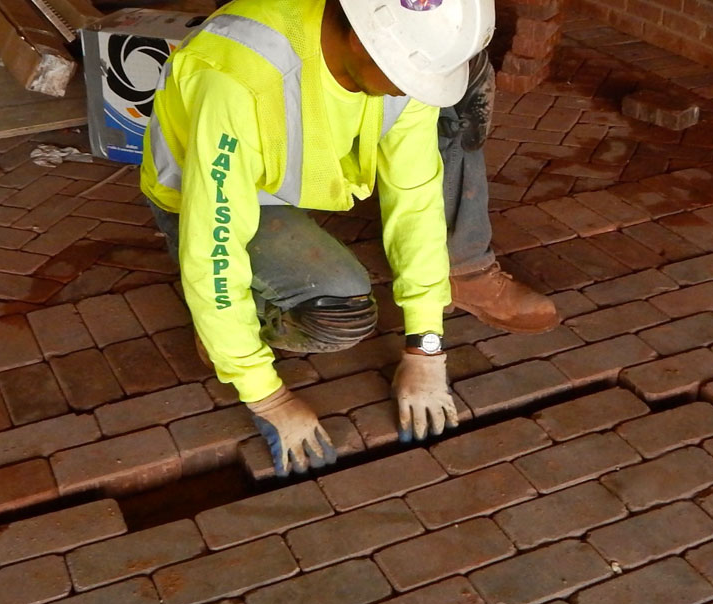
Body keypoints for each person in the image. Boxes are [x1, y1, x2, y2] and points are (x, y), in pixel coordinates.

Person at [140, 0, 558, 477]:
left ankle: (231, 319)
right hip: (199, 198)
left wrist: (425, 346)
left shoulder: (404, 61)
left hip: (277, 179)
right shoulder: (239, 74)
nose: (411, 90)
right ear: (363, 37)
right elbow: (214, 243)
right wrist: (268, 397)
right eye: (405, 77)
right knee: (338, 318)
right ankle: (226, 329)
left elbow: (416, 198)